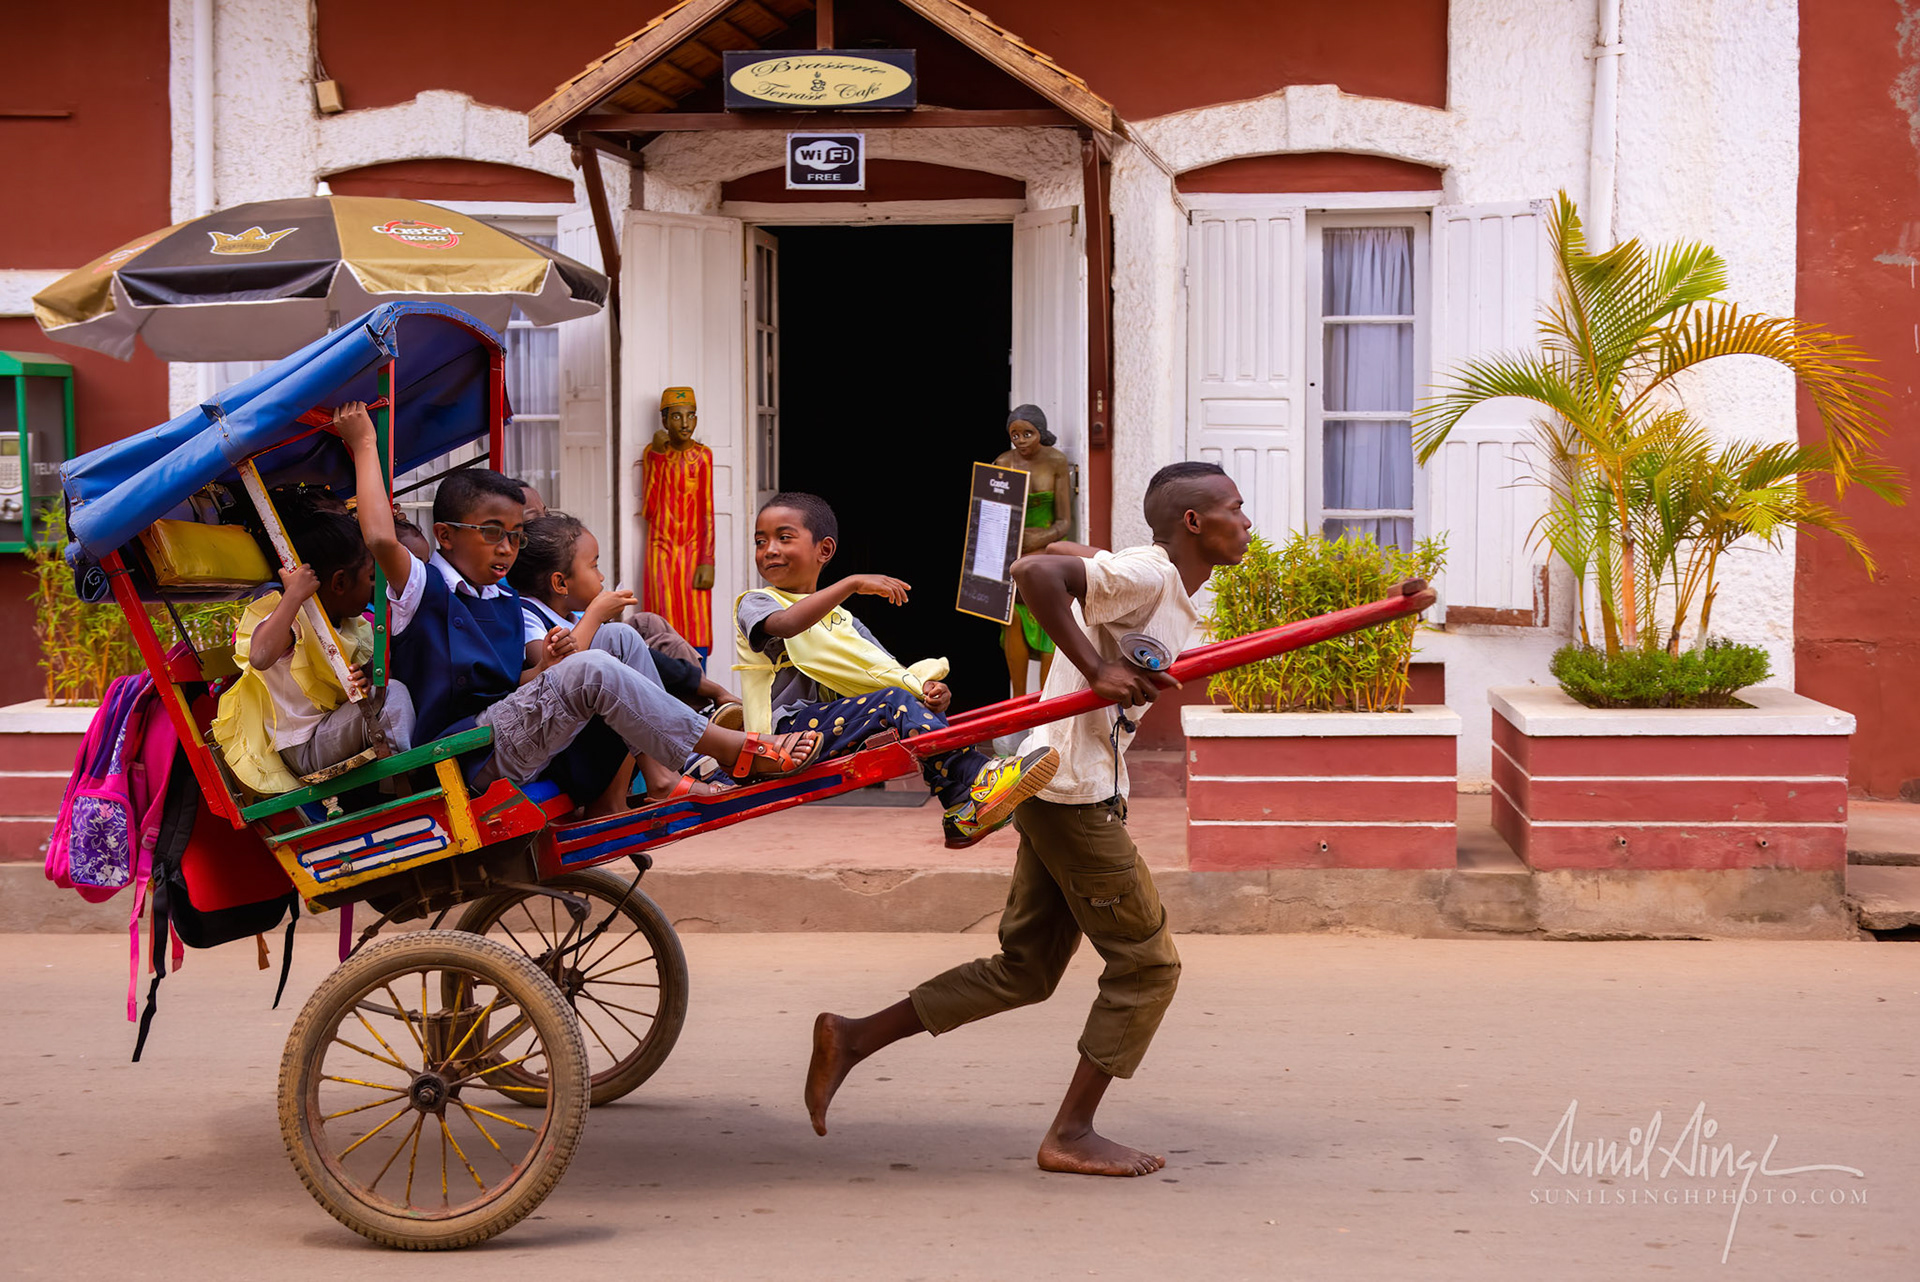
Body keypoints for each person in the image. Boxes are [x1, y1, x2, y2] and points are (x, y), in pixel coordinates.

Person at [803, 462, 1253, 1178]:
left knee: (1028, 968)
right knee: (1147, 965)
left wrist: (1389, 606)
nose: (1248, 521)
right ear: (1195, 522)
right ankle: (1071, 1133)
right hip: (1070, 788)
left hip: (1063, 780)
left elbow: (1074, 561)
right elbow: (1033, 571)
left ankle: (852, 1037)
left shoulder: (1164, 587)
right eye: (1236, 508)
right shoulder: (1149, 574)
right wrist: (1092, 667)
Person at [328, 403, 825, 809]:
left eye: (516, 538)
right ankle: (739, 752)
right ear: (445, 536)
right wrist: (365, 445)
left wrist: (549, 661)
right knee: (591, 665)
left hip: (507, 731)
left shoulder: (504, 600)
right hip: (459, 756)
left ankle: (660, 775)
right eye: (492, 534)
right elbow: (378, 536)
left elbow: (521, 683)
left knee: (619, 637)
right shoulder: (423, 588)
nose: (506, 548)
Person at [737, 491, 1058, 849]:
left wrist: (929, 694)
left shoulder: (844, 620)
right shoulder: (756, 602)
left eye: (784, 537)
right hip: (782, 736)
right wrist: (852, 583)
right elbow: (785, 625)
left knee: (902, 697)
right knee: (893, 701)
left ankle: (959, 807)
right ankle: (978, 776)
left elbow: (887, 670)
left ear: (823, 550)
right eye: (760, 541)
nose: (769, 550)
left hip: (828, 731)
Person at [509, 510, 745, 803]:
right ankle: (678, 766)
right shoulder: (526, 614)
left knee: (634, 640)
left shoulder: (572, 616)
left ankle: (678, 762)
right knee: (622, 649)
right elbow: (556, 671)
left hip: (588, 744)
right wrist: (595, 615)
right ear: (560, 584)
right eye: (594, 567)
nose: (601, 576)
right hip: (561, 751)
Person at [210, 509, 415, 794]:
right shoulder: (295, 619)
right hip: (304, 747)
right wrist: (294, 594)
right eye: (370, 577)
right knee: (393, 698)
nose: (375, 587)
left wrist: (359, 683)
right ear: (340, 583)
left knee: (390, 692)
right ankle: (400, 788)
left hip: (330, 729)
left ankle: (392, 783)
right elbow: (259, 657)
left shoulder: (348, 625)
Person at [993, 405, 1072, 696]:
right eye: (1015, 435)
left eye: (1028, 433)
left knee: (1050, 622)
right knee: (1012, 620)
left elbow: (1064, 521)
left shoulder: (1056, 462)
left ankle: (1047, 701)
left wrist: (1042, 537)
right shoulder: (1003, 462)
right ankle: (1018, 700)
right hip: (1012, 555)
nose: (1022, 440)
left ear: (1041, 432)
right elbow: (990, 514)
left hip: (1045, 555)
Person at [641, 387, 715, 656]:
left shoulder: (703, 456)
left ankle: (699, 677)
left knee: (697, 617)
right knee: (664, 614)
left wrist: (708, 560)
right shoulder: (654, 453)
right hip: (661, 550)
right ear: (664, 421)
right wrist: (658, 459)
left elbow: (707, 511)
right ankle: (666, 678)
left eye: (691, 416)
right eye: (676, 417)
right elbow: (649, 510)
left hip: (695, 551)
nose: (685, 424)